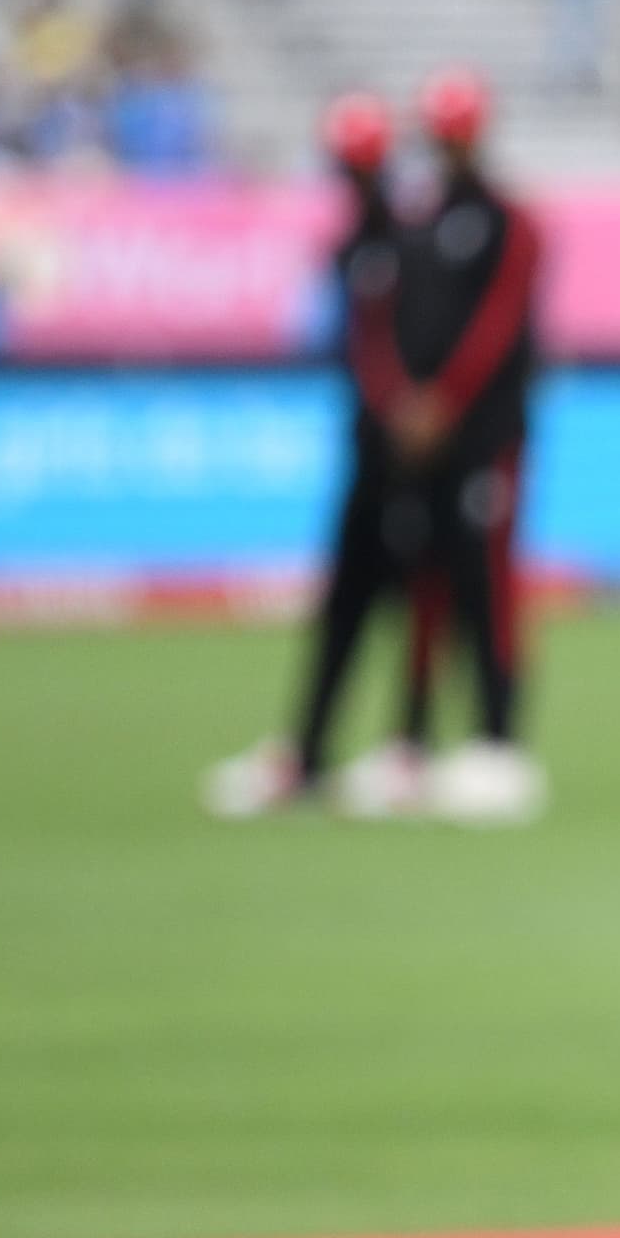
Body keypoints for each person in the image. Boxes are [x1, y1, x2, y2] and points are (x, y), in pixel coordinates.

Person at [204, 92, 443, 821]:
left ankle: (408, 749)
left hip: (406, 459)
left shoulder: (404, 248)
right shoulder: (364, 248)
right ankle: (315, 751)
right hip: (373, 455)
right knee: (349, 608)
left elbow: (398, 351)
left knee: (412, 607)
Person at [378, 68, 548, 823]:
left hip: (487, 436)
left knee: (487, 581)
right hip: (423, 441)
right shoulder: (415, 221)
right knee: (424, 582)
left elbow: (499, 325)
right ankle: (410, 739)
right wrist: (404, 405)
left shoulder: (510, 222)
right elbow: (392, 321)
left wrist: (441, 402)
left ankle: (498, 740)